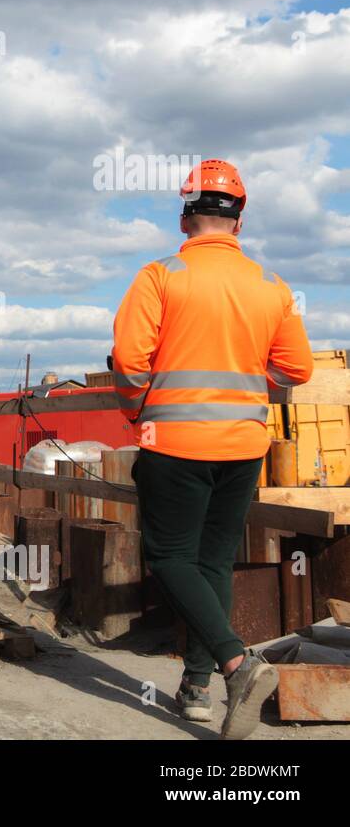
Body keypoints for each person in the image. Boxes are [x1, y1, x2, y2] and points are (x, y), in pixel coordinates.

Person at [111, 159, 313, 739]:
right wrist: (246, 384)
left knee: (170, 555)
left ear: (185, 216)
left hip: (174, 440)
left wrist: (137, 409)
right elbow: (296, 369)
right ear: (239, 221)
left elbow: (129, 362)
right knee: (214, 561)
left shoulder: (160, 275)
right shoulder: (271, 286)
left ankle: (236, 662)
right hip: (245, 443)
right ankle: (197, 690)